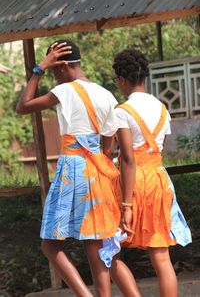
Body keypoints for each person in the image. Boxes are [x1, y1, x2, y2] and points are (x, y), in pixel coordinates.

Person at [16, 40, 141, 297]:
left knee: (50, 245)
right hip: (97, 169)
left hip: (72, 167)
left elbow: (23, 106)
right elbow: (109, 144)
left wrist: (39, 69)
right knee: (95, 245)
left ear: (61, 66)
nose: (54, 75)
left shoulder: (64, 91)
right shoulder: (107, 95)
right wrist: (95, 163)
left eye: (53, 69)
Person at [109, 48, 192, 297]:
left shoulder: (122, 111)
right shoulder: (162, 108)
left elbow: (128, 158)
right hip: (159, 179)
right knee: (161, 255)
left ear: (122, 80)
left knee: (108, 247)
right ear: (144, 76)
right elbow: (159, 148)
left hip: (134, 182)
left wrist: (126, 204)